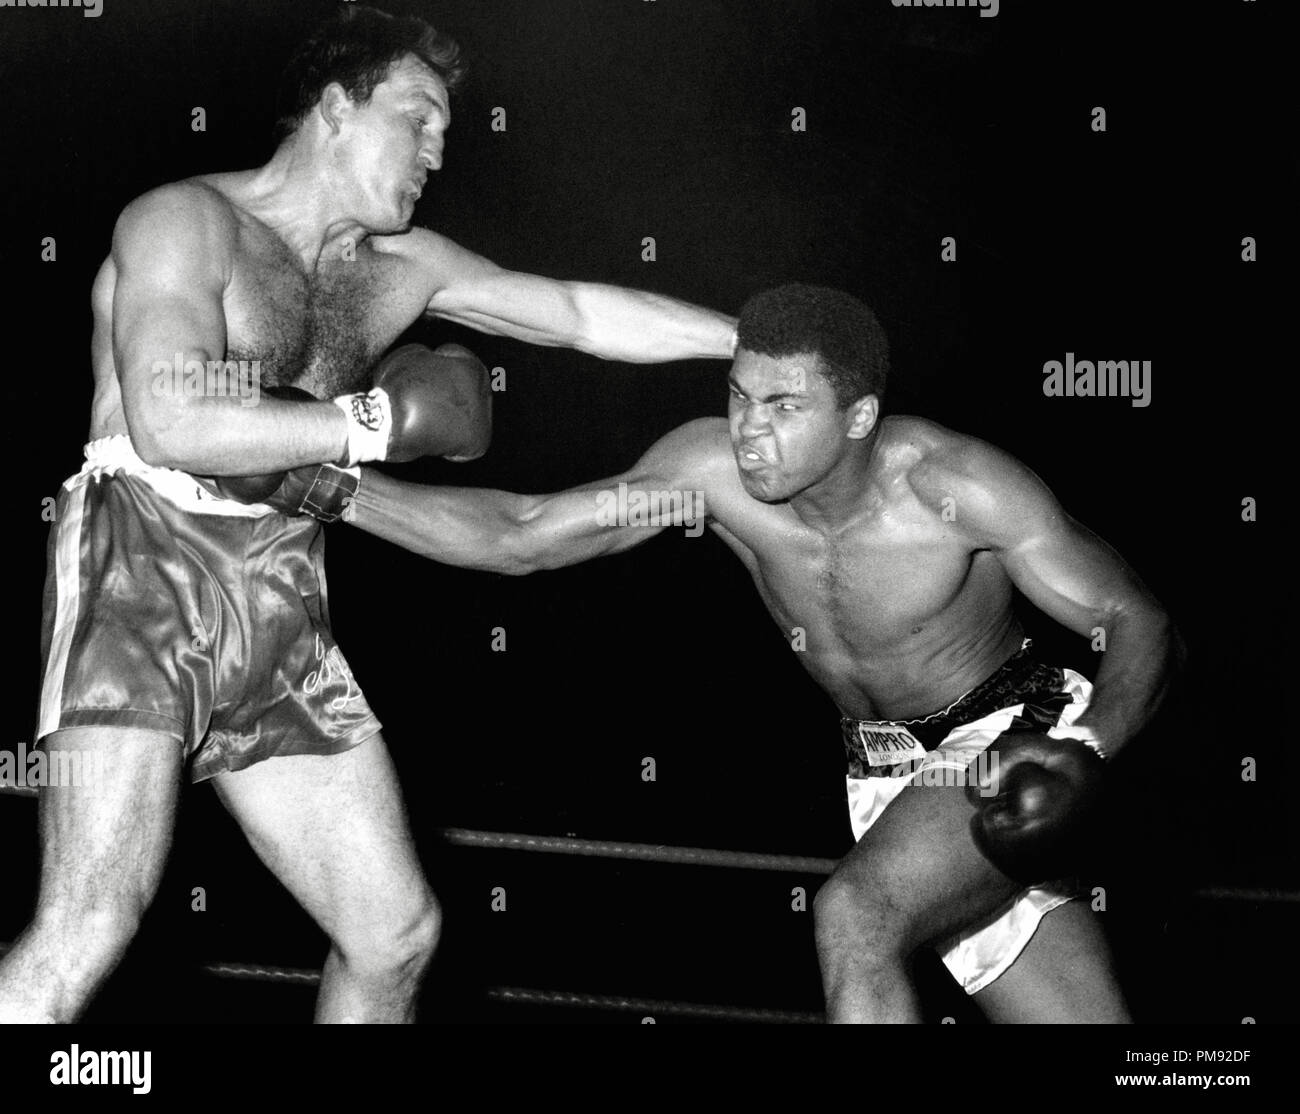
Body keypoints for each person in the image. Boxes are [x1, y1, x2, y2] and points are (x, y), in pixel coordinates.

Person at [0, 6, 735, 1024]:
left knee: (394, 933)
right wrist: (378, 419)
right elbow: (170, 418)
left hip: (281, 582)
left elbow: (577, 313)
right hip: (142, 561)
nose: (439, 150)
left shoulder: (406, 266)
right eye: (419, 118)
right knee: (90, 923)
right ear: (336, 111)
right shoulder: (184, 221)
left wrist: (752, 346)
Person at [333, 283, 1184, 1023]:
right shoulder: (707, 474)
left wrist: (1087, 746)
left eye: (784, 407)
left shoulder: (952, 486)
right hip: (885, 770)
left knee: (858, 915)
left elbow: (1133, 615)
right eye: (740, 397)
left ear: (858, 418)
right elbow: (525, 536)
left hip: (1012, 734)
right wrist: (322, 484)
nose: (750, 431)